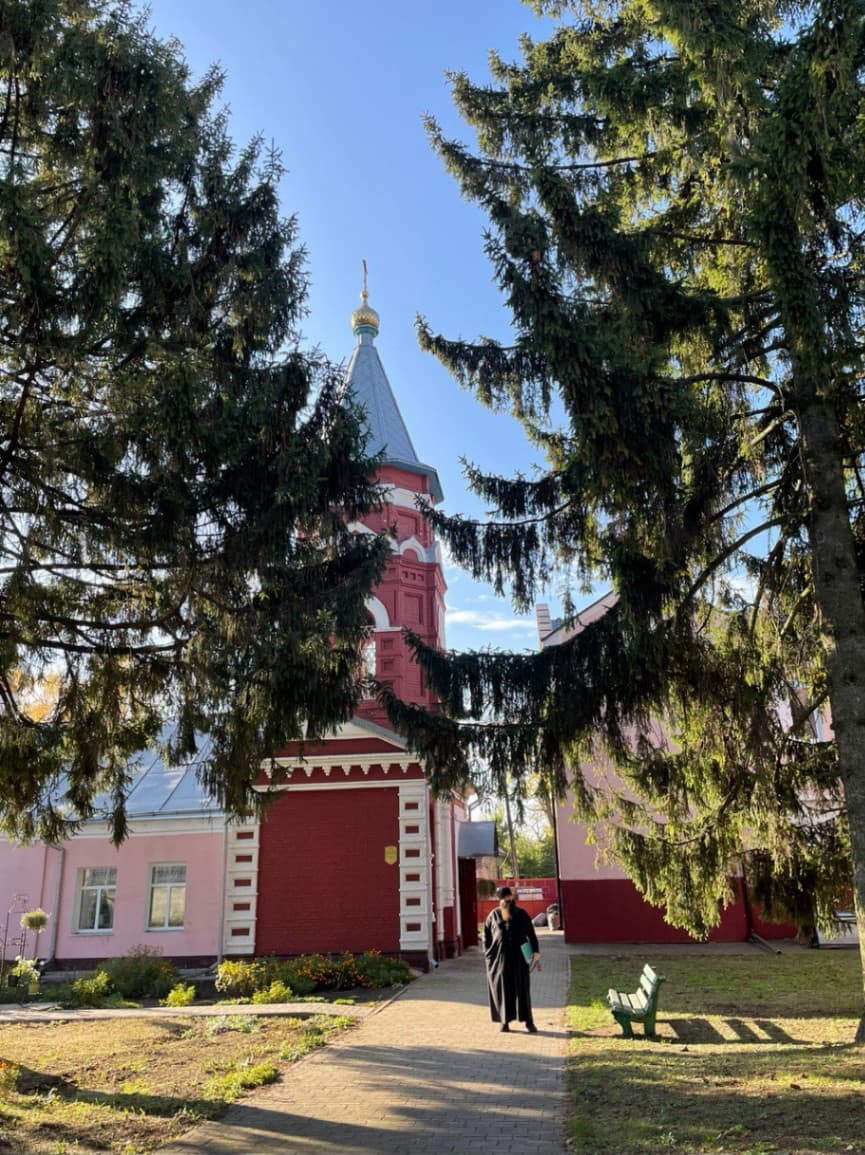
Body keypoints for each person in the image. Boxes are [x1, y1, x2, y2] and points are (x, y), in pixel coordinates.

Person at [483, 885, 541, 1033]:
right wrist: (489, 956)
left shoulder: (522, 914)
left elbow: (531, 934)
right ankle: (504, 1021)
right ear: (500, 900)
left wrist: (536, 951)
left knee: (523, 990)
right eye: (504, 897)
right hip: (501, 961)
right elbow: (486, 938)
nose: (508, 899)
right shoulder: (493, 916)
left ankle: (529, 1022)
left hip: (520, 959)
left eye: (509, 896)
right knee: (504, 990)